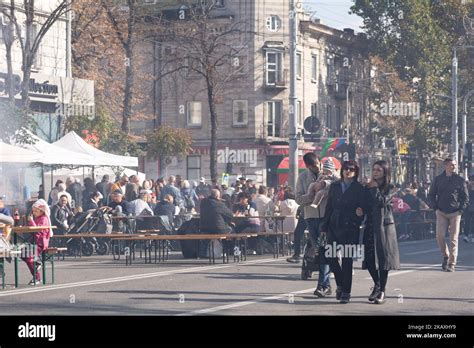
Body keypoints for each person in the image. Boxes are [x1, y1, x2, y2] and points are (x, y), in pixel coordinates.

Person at [320, 160, 366, 304]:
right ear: (342, 170)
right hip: (334, 224)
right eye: (346, 169)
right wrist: (324, 226)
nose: (348, 171)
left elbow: (363, 207)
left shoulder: (359, 188)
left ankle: (346, 292)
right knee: (331, 258)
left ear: (355, 172)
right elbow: (329, 207)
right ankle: (340, 283)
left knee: (347, 261)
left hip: (350, 227)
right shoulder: (334, 186)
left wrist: (360, 214)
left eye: (351, 169)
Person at [362, 160, 400, 305]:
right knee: (370, 259)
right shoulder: (369, 186)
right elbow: (366, 204)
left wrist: (374, 188)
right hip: (370, 225)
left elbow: (381, 202)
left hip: (384, 227)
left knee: (383, 260)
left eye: (379, 170)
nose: (375, 172)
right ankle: (377, 284)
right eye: (374, 169)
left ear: (385, 172)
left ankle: (382, 290)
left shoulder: (391, 187)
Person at [295, 153, 332, 297]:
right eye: (313, 166)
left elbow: (337, 184)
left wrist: (325, 186)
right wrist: (310, 196)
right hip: (310, 217)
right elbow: (298, 199)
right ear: (307, 166)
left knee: (324, 249)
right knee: (319, 250)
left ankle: (322, 285)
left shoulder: (328, 173)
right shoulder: (303, 177)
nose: (317, 167)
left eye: (318, 164)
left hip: (326, 217)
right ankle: (326, 285)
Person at [428, 158, 469, 272]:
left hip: (455, 212)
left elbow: (465, 198)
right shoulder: (438, 179)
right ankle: (446, 255)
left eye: (455, 165)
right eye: (451, 165)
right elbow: (431, 195)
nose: (453, 167)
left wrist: (461, 210)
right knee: (439, 236)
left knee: (453, 238)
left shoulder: (460, 180)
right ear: (445, 166)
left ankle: (452, 263)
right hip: (441, 211)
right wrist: (435, 208)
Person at [22, 199, 53, 285]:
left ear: (41, 211)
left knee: (27, 257)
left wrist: (31, 221)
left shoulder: (44, 218)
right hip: (35, 242)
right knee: (21, 253)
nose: (34, 213)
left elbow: (37, 230)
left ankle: (37, 277)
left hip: (40, 243)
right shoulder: (38, 218)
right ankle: (36, 263)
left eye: (36, 211)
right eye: (33, 211)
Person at [463, 175, 474, 243]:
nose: (472, 182)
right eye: (471, 180)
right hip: (467, 208)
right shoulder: (466, 188)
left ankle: (473, 236)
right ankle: (466, 236)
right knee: (466, 222)